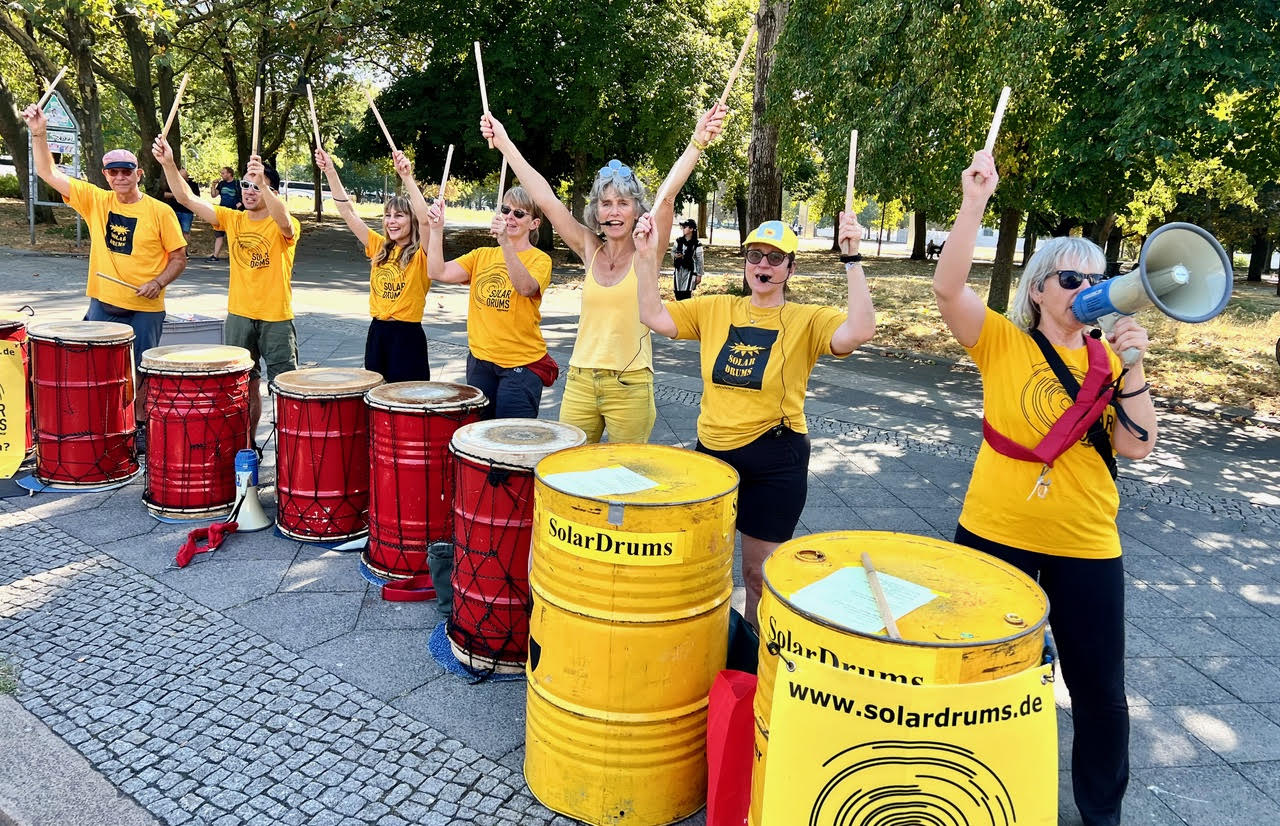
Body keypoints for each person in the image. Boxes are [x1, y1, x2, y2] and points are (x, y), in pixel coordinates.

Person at [931, 149, 1157, 826]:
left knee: (1099, 694)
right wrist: (975, 200)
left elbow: (1137, 446)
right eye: (1068, 277)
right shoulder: (1002, 340)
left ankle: (1099, 811)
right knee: (972, 671)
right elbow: (946, 291)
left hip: (1085, 544)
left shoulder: (1110, 357)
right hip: (993, 533)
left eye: (1096, 277)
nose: (1084, 287)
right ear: (1037, 289)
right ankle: (962, 790)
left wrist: (1136, 366)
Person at [635, 215, 876, 626]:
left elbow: (860, 330)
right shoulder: (717, 308)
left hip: (774, 455)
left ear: (790, 268)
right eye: (755, 256)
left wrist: (852, 258)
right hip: (713, 455)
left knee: (758, 577)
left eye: (775, 258)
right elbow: (653, 315)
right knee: (699, 570)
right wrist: (644, 258)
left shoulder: (807, 319)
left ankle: (751, 660)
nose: (763, 266)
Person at [481, 104, 725, 443]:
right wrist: (505, 143)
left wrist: (698, 141)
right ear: (595, 210)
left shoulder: (647, 250)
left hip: (630, 384)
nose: (613, 212)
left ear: (637, 209)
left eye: (623, 204)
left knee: (624, 478)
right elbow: (546, 200)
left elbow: (667, 197)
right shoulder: (588, 246)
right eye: (605, 204)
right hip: (581, 381)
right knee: (571, 474)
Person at [21, 102, 187, 444]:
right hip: (103, 303)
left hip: (145, 307)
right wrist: (39, 133)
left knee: (140, 372)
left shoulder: (160, 212)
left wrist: (158, 282)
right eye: (114, 172)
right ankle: (102, 423)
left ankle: (139, 428)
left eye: (127, 171)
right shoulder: (96, 200)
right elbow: (48, 174)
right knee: (93, 368)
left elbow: (179, 257)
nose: (120, 177)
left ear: (139, 174)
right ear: (105, 175)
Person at [154, 137, 300, 443]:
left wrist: (264, 183)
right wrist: (168, 162)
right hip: (239, 316)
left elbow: (284, 222)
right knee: (244, 386)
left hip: (276, 317)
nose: (248, 191)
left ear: (270, 190)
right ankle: (246, 445)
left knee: (287, 387)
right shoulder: (232, 219)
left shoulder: (284, 224)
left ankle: (291, 448)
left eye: (256, 186)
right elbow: (185, 198)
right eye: (246, 185)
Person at [424, 187, 554, 418]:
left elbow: (525, 288)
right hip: (481, 361)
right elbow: (437, 271)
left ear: (534, 224)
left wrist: (505, 243)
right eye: (506, 210)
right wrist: (436, 229)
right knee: (479, 434)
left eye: (519, 213)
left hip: (520, 366)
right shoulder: (481, 255)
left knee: (511, 438)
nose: (510, 217)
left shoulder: (540, 259)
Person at [316, 147, 432, 383]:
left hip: (407, 336)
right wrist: (330, 171)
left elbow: (427, 220)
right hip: (378, 333)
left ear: (411, 221)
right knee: (376, 397)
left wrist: (406, 177)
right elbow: (348, 212)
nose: (391, 221)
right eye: (388, 215)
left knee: (406, 402)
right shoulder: (379, 246)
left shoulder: (423, 253)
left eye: (399, 216)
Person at [209, 166, 242, 261]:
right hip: (222, 211)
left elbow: (243, 196)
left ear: (229, 174)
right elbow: (213, 195)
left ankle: (233, 256)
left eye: (223, 173)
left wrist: (239, 205)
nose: (221, 175)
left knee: (233, 234)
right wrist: (213, 186)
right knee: (219, 234)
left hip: (233, 212)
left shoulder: (237, 183)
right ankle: (215, 256)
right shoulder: (222, 184)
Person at [162, 167, 199, 244]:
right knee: (173, 232)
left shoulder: (193, 184)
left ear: (187, 177)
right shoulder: (172, 183)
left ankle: (184, 253)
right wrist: (175, 195)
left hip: (187, 212)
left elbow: (197, 197)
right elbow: (164, 194)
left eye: (183, 177)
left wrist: (185, 196)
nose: (181, 179)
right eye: (179, 176)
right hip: (174, 211)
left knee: (185, 232)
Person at [672, 218, 702, 300]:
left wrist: (699, 275)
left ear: (691, 229)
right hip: (678, 270)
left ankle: (685, 311)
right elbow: (673, 252)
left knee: (686, 294)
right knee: (677, 292)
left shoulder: (697, 244)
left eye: (685, 227)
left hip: (690, 271)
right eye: (683, 227)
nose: (683, 229)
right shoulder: (678, 241)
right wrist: (675, 255)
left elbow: (700, 261)